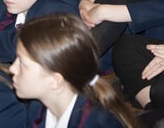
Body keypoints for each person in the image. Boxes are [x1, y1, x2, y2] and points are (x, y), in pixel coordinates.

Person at [10, 13, 141, 128]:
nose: (12, 69)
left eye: (22, 63)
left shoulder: (96, 123)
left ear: (55, 81)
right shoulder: (38, 106)